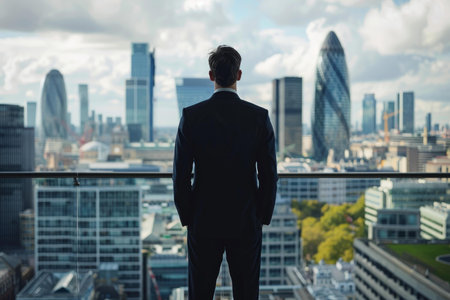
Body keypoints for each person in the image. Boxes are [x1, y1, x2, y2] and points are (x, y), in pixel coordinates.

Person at [173, 45, 278, 300]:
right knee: (246, 292)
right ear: (239, 75)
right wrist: (261, 216)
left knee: (200, 292)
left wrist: (189, 217)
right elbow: (269, 175)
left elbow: (180, 175)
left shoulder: (191, 117)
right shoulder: (259, 118)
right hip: (245, 220)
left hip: (203, 219)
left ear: (211, 76)